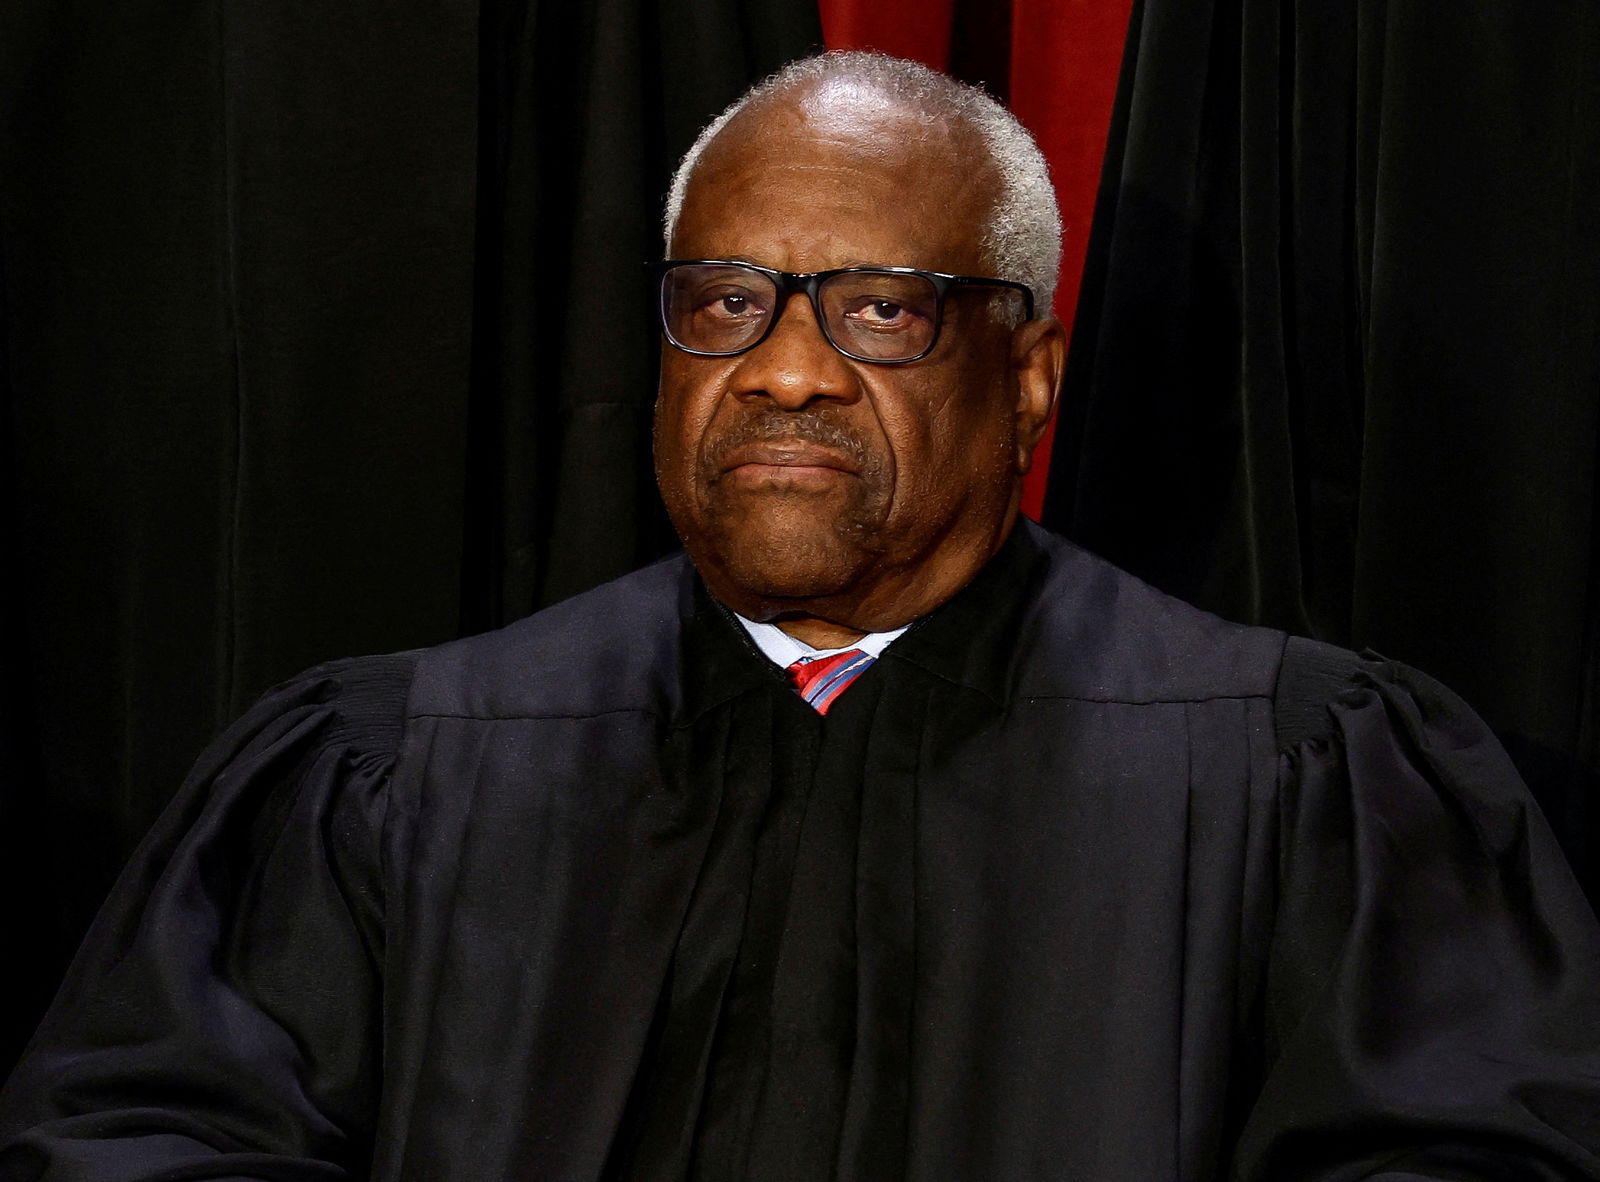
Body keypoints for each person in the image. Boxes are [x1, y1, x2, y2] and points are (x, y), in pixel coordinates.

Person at [3, 50, 1599, 1182]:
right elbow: (156, 1128)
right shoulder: (405, 768)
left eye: (880, 309)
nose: (782, 365)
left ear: (1028, 377)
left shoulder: (1289, 772)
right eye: (723, 300)